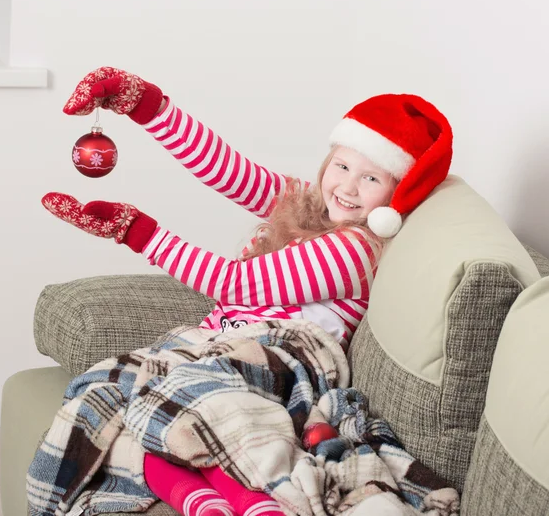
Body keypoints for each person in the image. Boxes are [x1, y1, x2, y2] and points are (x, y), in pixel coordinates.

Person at [42, 66, 453, 516]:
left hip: (284, 357)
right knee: (111, 396)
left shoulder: (356, 248)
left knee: (189, 396)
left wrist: (136, 232)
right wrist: (146, 106)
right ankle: (197, 499)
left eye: (372, 178)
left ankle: (254, 503)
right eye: (342, 166)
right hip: (222, 342)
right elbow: (229, 171)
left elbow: (236, 284)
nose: (349, 187)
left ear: (396, 195)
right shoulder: (310, 204)